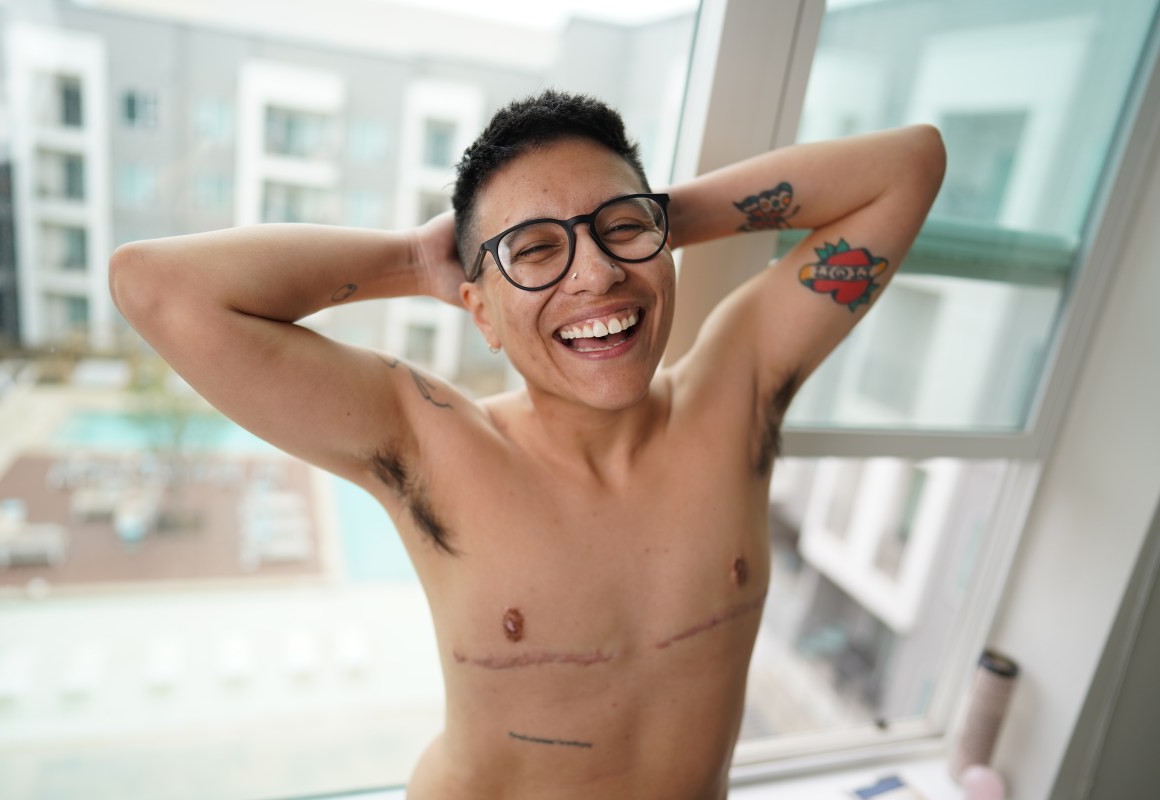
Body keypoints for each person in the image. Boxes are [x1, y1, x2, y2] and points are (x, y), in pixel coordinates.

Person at [110, 89, 945, 800]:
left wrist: (655, 217)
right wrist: (412, 257)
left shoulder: (735, 395)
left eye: (621, 232)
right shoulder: (431, 443)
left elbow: (910, 163)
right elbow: (158, 288)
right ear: (480, 312)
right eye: (537, 251)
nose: (595, 276)